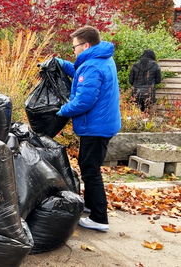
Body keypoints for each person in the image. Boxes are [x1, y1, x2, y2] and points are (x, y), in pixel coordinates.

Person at [55, 26, 121, 231]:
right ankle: (92, 207)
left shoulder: (92, 66)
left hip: (95, 127)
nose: (73, 50)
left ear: (86, 45)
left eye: (75, 47)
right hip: (101, 124)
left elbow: (84, 100)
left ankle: (99, 218)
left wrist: (62, 110)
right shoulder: (100, 60)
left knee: (90, 171)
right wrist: (63, 65)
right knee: (88, 167)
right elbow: (82, 76)